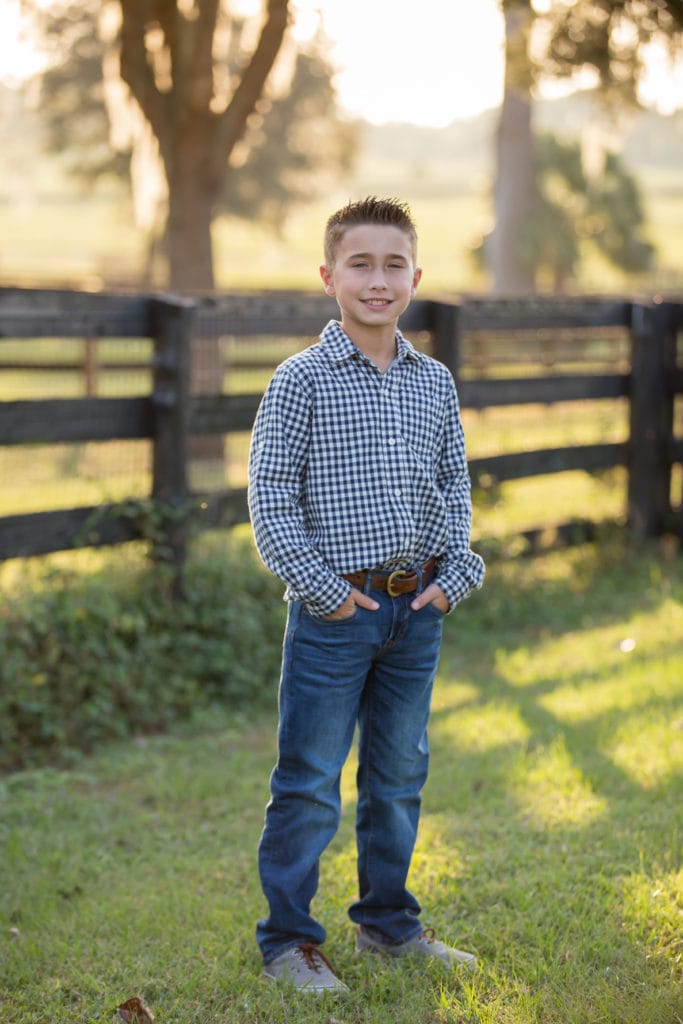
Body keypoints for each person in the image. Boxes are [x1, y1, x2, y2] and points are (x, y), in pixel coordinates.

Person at [247, 196, 485, 994]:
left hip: (416, 612)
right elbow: (271, 500)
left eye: (392, 265)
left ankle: (389, 927)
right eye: (360, 264)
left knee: (396, 778)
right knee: (309, 780)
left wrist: (453, 578)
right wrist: (326, 595)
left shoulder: (433, 382)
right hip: (332, 614)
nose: (377, 280)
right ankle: (289, 944)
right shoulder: (300, 381)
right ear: (328, 276)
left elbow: (454, 486)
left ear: (415, 277)